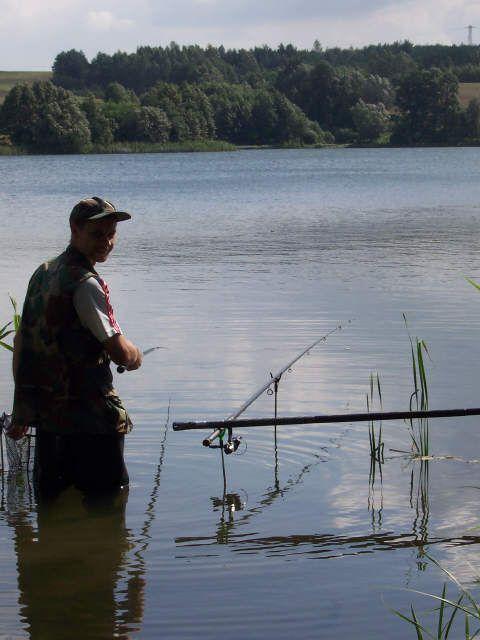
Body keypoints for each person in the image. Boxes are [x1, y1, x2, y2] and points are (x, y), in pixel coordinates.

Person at [10, 197, 142, 495]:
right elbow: (120, 352)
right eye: (97, 234)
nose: (106, 243)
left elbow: (22, 344)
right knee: (108, 507)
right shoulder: (86, 283)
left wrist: (22, 410)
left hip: (49, 423)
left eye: (111, 234)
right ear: (75, 229)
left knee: (52, 509)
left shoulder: (43, 273)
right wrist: (136, 357)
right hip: (92, 424)